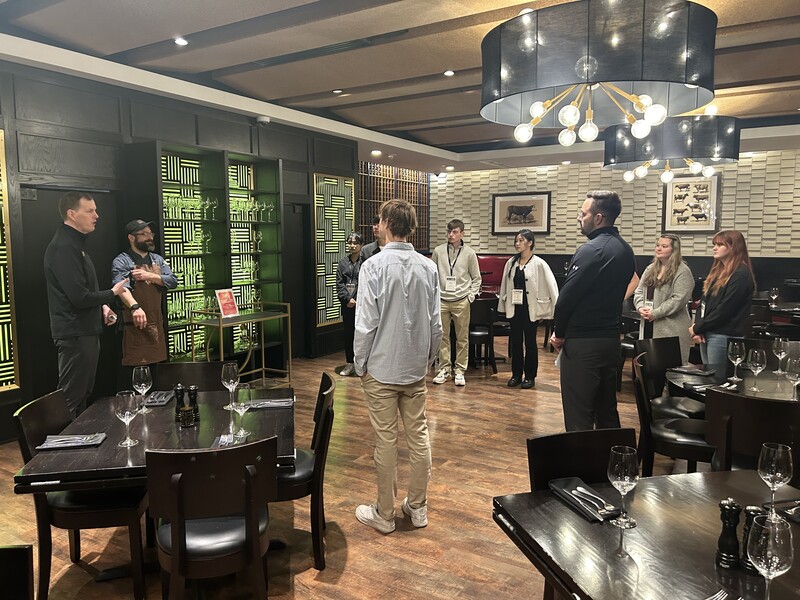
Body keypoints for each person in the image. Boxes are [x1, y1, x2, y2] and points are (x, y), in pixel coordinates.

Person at [353, 199, 442, 534]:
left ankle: (385, 514)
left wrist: (360, 363)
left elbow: (365, 324)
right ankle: (417, 507)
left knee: (386, 442)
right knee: (419, 437)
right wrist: (427, 360)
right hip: (414, 369)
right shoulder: (428, 268)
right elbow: (435, 325)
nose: (377, 225)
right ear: (412, 227)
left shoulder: (373, 266)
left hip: (380, 368)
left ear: (388, 223)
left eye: (379, 219)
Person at [44, 192, 142, 416]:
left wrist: (102, 307)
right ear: (72, 214)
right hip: (75, 333)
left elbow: (80, 290)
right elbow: (78, 298)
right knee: (71, 397)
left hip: (84, 331)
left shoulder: (74, 244)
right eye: (90, 211)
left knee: (82, 394)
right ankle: (64, 439)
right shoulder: (65, 247)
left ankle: (78, 437)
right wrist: (112, 293)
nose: (96, 216)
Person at [550, 190, 635, 431]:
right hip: (610, 341)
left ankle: (582, 458)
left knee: (579, 418)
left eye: (583, 213)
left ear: (598, 218)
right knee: (606, 413)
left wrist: (559, 333)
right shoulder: (625, 250)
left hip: (584, 344)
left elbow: (565, 300)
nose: (579, 218)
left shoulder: (591, 250)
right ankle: (615, 457)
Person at [111, 219, 178, 383]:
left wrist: (150, 276)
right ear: (131, 238)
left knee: (157, 376)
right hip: (134, 326)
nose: (150, 237)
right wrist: (135, 307)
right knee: (134, 377)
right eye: (144, 234)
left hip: (156, 325)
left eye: (150, 233)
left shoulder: (158, 259)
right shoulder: (122, 261)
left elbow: (172, 281)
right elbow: (121, 288)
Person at [498, 229, 558, 389]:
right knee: (516, 343)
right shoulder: (511, 263)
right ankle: (516, 375)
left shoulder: (539, 263)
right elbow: (504, 286)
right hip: (515, 308)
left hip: (531, 310)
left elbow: (551, 287)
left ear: (530, 243)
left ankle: (530, 376)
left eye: (521, 240)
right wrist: (503, 306)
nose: (517, 244)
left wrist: (550, 310)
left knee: (530, 343)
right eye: (516, 241)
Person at [689, 230, 755, 367]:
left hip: (724, 334)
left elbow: (725, 309)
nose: (715, 248)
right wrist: (698, 328)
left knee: (717, 377)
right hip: (708, 332)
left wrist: (698, 327)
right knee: (709, 375)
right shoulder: (718, 272)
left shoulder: (741, 274)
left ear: (733, 247)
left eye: (720, 245)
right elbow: (703, 302)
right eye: (714, 245)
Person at [431, 219, 481, 387]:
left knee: (462, 338)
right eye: (449, 231)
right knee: (442, 337)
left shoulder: (469, 253)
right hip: (442, 300)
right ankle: (444, 369)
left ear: (462, 234)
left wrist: (470, 297)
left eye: (455, 232)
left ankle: (460, 370)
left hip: (461, 300)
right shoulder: (438, 251)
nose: (451, 235)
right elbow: (432, 275)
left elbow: (476, 278)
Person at [634, 233, 694, 363]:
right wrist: (640, 307)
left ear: (674, 250)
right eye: (657, 245)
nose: (659, 249)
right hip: (648, 324)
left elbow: (678, 299)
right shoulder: (650, 268)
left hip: (671, 328)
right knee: (648, 364)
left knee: (669, 366)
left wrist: (655, 313)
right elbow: (639, 291)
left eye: (664, 246)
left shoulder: (682, 271)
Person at [336, 232, 364, 376]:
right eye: (350, 243)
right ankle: (349, 363)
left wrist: (358, 299)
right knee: (348, 334)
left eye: (355, 243)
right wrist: (347, 299)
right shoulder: (342, 263)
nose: (352, 246)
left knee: (362, 334)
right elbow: (339, 283)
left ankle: (361, 364)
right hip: (347, 305)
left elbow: (365, 282)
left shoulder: (365, 262)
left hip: (362, 304)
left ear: (361, 245)